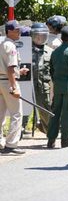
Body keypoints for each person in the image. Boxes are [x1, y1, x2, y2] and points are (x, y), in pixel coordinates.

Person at [0, 20, 29, 154]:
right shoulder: (11, 46)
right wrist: (14, 87)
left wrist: (19, 71)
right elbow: (10, 68)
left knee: (0, 114)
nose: (19, 32)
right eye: (16, 30)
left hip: (1, 81)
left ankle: (0, 142)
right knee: (16, 113)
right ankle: (11, 144)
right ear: (9, 31)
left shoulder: (2, 44)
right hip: (8, 82)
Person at [46, 26, 68, 148]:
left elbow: (52, 70)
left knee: (55, 112)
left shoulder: (55, 52)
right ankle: (65, 139)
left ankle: (51, 139)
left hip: (58, 86)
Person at [31, 23, 53, 133]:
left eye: (42, 36)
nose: (40, 38)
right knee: (23, 110)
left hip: (43, 86)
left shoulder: (50, 51)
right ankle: (20, 131)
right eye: (37, 36)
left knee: (45, 109)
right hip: (27, 84)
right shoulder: (25, 50)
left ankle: (49, 132)